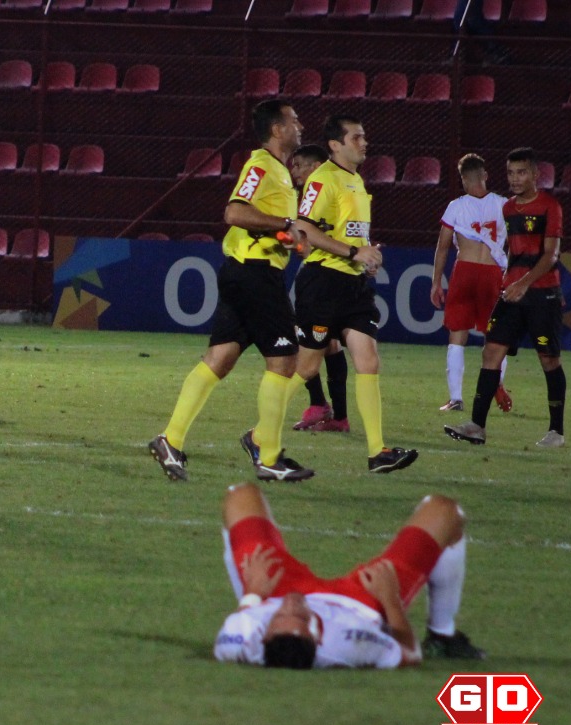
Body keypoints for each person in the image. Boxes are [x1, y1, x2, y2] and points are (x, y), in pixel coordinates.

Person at [150, 99, 313, 483]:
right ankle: (268, 454)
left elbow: (263, 223)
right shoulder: (260, 165)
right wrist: (283, 223)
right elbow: (234, 212)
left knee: (220, 358)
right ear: (277, 129)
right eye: (293, 121)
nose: (300, 126)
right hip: (255, 274)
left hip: (248, 270)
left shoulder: (280, 173)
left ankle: (169, 440)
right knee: (285, 360)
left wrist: (284, 234)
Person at [213, 483, 485, 669]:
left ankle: (259, 594)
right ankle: (443, 634)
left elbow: (245, 622)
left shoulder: (241, 639)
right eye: (299, 617)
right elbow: (409, 655)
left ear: (264, 636)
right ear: (319, 638)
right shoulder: (350, 643)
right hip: (361, 602)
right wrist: (391, 601)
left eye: (278, 619)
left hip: (275, 592)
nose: (291, 608)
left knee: (239, 495)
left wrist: (253, 595)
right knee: (446, 511)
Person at [292, 114, 418, 473]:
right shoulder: (322, 179)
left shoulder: (356, 182)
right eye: (357, 137)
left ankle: (377, 452)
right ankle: (260, 434)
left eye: (364, 136)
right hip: (324, 282)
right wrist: (352, 253)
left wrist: (367, 254)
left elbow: (352, 235)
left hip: (354, 284)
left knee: (369, 360)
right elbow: (304, 230)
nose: (365, 143)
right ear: (336, 144)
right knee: (307, 366)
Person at [446, 147, 565, 448]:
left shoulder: (550, 206)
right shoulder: (508, 209)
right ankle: (477, 426)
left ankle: (556, 431)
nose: (514, 178)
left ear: (536, 175)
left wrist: (524, 282)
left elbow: (551, 256)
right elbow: (513, 250)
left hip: (541, 294)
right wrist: (508, 279)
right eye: (511, 173)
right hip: (512, 293)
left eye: (521, 172)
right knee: (491, 353)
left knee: (548, 359)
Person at [430, 154, 512, 414]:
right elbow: (518, 244)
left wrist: (436, 282)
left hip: (464, 271)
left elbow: (443, 247)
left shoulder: (456, 206)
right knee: (496, 334)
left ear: (463, 179)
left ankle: (455, 399)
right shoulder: (504, 205)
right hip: (492, 272)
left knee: (458, 333)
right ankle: (495, 385)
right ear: (485, 175)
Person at [288, 144, 351, 433]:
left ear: (315, 167)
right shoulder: (339, 185)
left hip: (322, 276)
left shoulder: (318, 192)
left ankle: (318, 405)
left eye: (300, 165)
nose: (295, 171)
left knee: (306, 344)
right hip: (339, 275)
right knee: (332, 344)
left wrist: (297, 241)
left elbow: (309, 238)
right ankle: (338, 416)